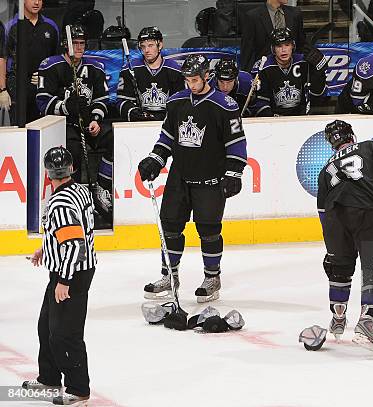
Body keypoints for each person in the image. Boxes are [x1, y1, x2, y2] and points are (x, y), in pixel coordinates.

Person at [138, 54, 247, 303]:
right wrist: (155, 159)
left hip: (210, 179)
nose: (191, 84)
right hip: (179, 177)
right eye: (187, 79)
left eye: (195, 79)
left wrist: (234, 173)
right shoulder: (176, 102)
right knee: (170, 227)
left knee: (208, 230)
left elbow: (237, 143)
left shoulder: (225, 105)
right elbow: (167, 137)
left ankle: (212, 277)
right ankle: (169, 275)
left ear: (207, 76)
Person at [317, 119, 373, 352]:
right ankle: (368, 320)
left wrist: (331, 248)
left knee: (340, 267)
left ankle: (338, 316)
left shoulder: (326, 168)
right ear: (351, 135)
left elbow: (322, 211)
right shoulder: (370, 147)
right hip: (366, 211)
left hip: (334, 219)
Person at [23, 146, 96, 406]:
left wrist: (64, 281)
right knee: (46, 327)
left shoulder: (60, 202)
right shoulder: (79, 191)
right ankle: (50, 378)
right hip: (66, 269)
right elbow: (76, 231)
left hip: (72, 273)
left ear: (47, 174)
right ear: (72, 168)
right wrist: (46, 248)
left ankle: (78, 389)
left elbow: (75, 244)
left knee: (65, 334)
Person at [36, 24, 114, 219]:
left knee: (114, 139)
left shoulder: (94, 67)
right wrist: (65, 106)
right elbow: (42, 102)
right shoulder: (51, 66)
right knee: (74, 152)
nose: (79, 48)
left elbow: (102, 99)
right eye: (75, 43)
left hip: (88, 124)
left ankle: (102, 187)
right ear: (65, 44)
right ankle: (75, 198)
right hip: (64, 125)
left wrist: (96, 119)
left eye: (82, 44)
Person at [6, 0, 60, 123]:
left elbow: (56, 59)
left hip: (44, 87)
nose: (36, 2)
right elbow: (5, 59)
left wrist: (45, 76)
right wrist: (3, 89)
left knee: (44, 129)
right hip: (18, 88)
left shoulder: (51, 26)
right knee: (20, 129)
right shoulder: (12, 25)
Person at [116, 26, 185, 122]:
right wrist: (133, 113)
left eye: (150, 45)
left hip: (167, 124)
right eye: (143, 46)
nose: (146, 50)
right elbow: (122, 101)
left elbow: (181, 102)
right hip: (139, 124)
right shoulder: (129, 69)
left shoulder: (175, 70)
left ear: (160, 45)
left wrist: (167, 118)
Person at [255, 28, 327, 116]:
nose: (283, 50)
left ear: (293, 46)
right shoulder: (264, 67)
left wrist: (318, 72)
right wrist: (270, 119)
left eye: (287, 45)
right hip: (274, 119)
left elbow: (318, 96)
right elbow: (260, 101)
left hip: (300, 117)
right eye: (279, 46)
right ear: (273, 48)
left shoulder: (304, 62)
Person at [240, 0, 306, 71]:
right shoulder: (253, 17)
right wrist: (248, 77)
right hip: (264, 72)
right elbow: (247, 52)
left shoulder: (295, 13)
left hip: (292, 71)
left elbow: (302, 45)